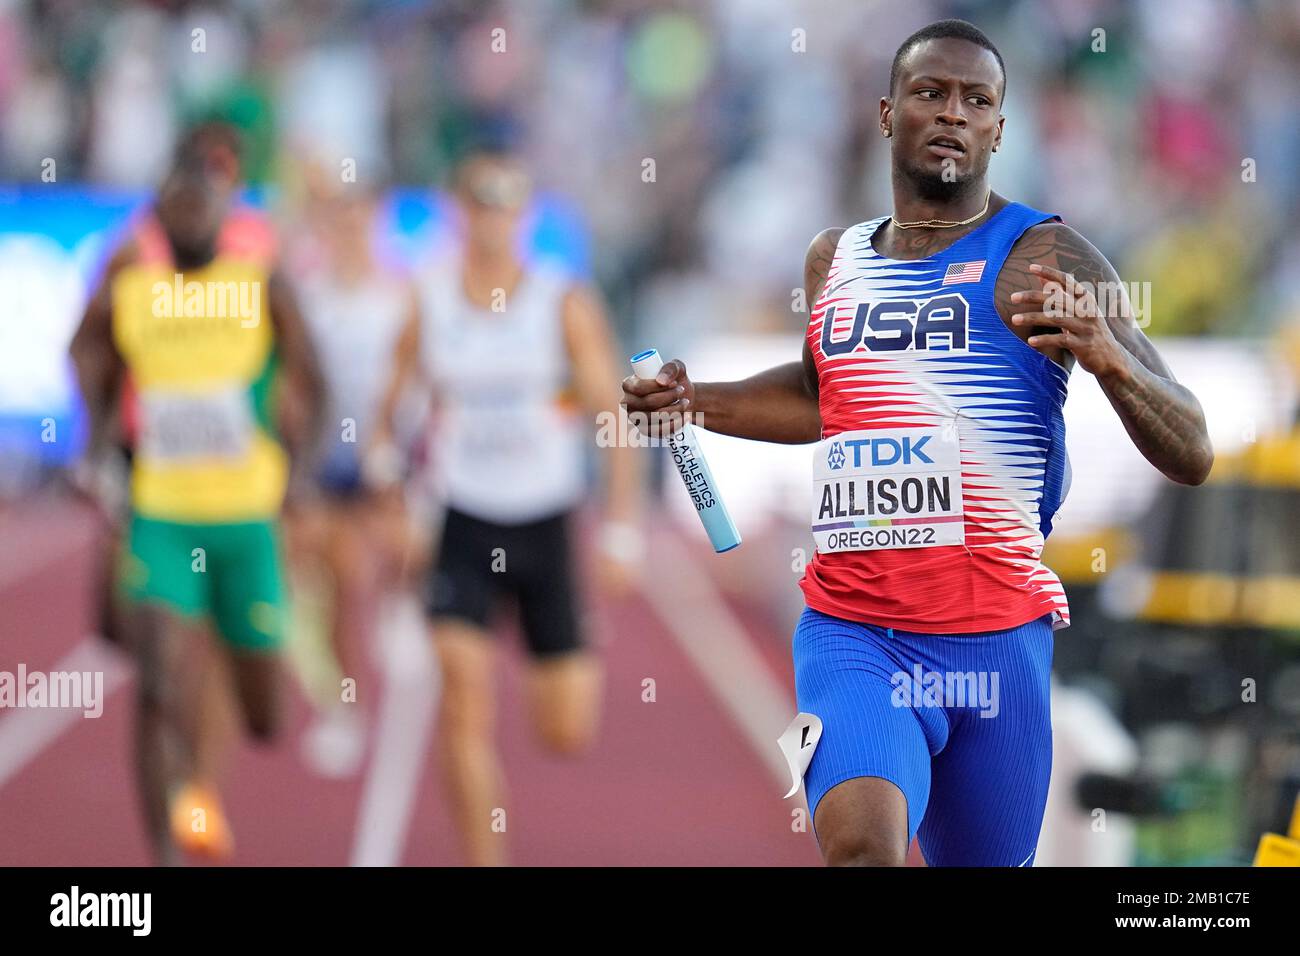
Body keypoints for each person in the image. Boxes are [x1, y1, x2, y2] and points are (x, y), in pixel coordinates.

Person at [621, 19, 1214, 867]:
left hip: (997, 641)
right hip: (855, 631)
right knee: (863, 847)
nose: (953, 113)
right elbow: (822, 399)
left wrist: (1110, 360)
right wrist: (693, 401)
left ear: (1000, 130)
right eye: (931, 92)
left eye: (977, 100)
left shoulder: (1046, 256)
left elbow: (1191, 449)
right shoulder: (837, 259)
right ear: (887, 112)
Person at [375, 145, 643, 866]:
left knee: (565, 731)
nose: (492, 220)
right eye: (479, 204)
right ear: (457, 213)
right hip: (462, 518)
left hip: (544, 522)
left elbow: (614, 415)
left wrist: (620, 527)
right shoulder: (426, 299)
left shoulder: (560, 302)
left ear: (524, 215)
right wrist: (392, 495)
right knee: (463, 702)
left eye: (506, 205)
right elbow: (387, 412)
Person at [69, 126, 324, 863]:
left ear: (224, 196)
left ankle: (245, 661)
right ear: (159, 204)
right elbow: (86, 347)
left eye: (205, 195)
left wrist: (298, 467)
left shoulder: (259, 273)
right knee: (152, 677)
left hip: (246, 519)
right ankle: (164, 855)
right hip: (162, 513)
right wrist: (100, 450)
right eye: (176, 201)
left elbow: (312, 372)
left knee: (264, 715)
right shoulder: (130, 272)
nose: (187, 214)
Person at [284, 171, 421, 777]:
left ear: (377, 223)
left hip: (391, 451)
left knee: (399, 549)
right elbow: (293, 382)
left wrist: (395, 444)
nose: (350, 231)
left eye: (360, 219)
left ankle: (400, 601)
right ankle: (344, 711)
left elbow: (422, 376)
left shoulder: (402, 294)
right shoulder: (310, 296)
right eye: (339, 220)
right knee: (333, 582)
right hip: (326, 456)